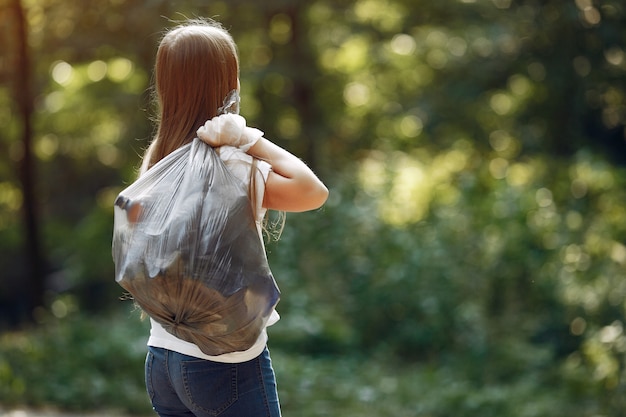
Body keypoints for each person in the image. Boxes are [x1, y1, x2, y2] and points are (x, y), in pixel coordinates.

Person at [137, 19, 328, 417]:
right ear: (229, 83)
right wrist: (250, 139)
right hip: (225, 365)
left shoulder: (158, 160)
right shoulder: (234, 163)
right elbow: (313, 192)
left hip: (162, 359)